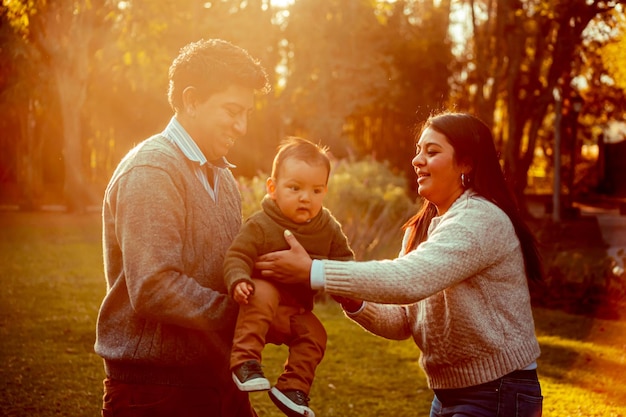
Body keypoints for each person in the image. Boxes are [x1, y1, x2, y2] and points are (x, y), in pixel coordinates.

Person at [256, 112, 544, 417]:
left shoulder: (480, 219)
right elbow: (403, 321)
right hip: (450, 394)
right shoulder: (422, 227)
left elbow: (408, 280)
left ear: (467, 163)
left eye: (432, 152)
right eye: (418, 150)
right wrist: (352, 298)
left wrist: (315, 271)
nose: (417, 160)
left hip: (498, 391)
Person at [95, 39, 270, 417]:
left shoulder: (221, 175)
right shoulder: (152, 170)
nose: (241, 126)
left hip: (218, 378)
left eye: (247, 113)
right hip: (157, 391)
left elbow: (218, 266)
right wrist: (246, 314)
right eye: (232, 111)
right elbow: (155, 287)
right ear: (191, 100)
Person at [224, 137, 354, 417]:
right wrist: (239, 280)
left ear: (325, 191)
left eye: (316, 190)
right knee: (264, 292)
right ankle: (245, 362)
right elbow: (237, 255)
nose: (305, 197)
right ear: (273, 188)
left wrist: (323, 272)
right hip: (259, 303)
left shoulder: (328, 226)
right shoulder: (261, 224)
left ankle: (293, 387)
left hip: (295, 310)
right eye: (294, 188)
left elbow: (345, 262)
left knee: (316, 333)